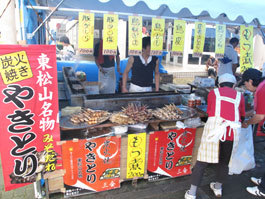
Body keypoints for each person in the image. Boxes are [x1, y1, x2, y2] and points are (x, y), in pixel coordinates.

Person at [185, 73, 245, 199]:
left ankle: (192, 193)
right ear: (234, 85)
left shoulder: (213, 93)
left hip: (213, 131)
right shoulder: (240, 96)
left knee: (202, 161)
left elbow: (210, 110)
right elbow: (242, 116)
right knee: (224, 162)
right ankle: (218, 188)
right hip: (230, 133)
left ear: (219, 84)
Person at [239, 68, 265, 197]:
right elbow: (257, 112)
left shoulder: (261, 89)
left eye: (245, 83)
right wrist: (243, 115)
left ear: (250, 81)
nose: (245, 86)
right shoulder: (263, 85)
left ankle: (263, 190)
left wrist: (247, 123)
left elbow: (259, 116)